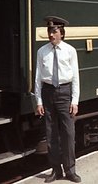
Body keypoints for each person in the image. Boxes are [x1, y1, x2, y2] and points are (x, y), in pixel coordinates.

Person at [34, 16, 81, 183]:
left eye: (54, 31)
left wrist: (74, 100)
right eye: (49, 31)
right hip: (48, 94)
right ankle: (55, 170)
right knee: (51, 133)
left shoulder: (70, 51)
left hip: (64, 93)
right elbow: (38, 77)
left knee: (68, 133)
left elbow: (75, 76)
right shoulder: (42, 52)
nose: (51, 34)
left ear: (62, 33)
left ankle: (70, 170)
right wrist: (38, 101)